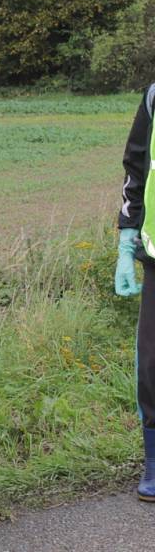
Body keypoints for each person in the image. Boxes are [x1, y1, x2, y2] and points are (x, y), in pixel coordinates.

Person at [115, 82, 155, 502]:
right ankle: (154, 464)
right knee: (152, 366)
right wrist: (127, 241)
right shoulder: (154, 96)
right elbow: (137, 167)